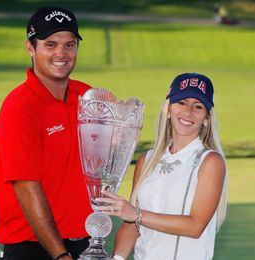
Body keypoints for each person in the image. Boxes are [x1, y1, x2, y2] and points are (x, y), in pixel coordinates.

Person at [0, 6, 93, 260]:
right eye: (50, 44)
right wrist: (60, 255)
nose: (61, 53)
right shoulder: (19, 107)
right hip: (34, 248)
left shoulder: (88, 96)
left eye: (69, 45)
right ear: (30, 47)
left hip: (83, 241)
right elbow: (27, 188)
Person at [97, 73, 228, 260]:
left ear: (206, 118)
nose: (188, 111)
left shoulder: (210, 161)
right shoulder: (147, 160)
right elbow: (131, 225)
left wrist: (136, 214)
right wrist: (116, 259)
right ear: (169, 109)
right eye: (181, 102)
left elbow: (195, 226)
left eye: (198, 106)